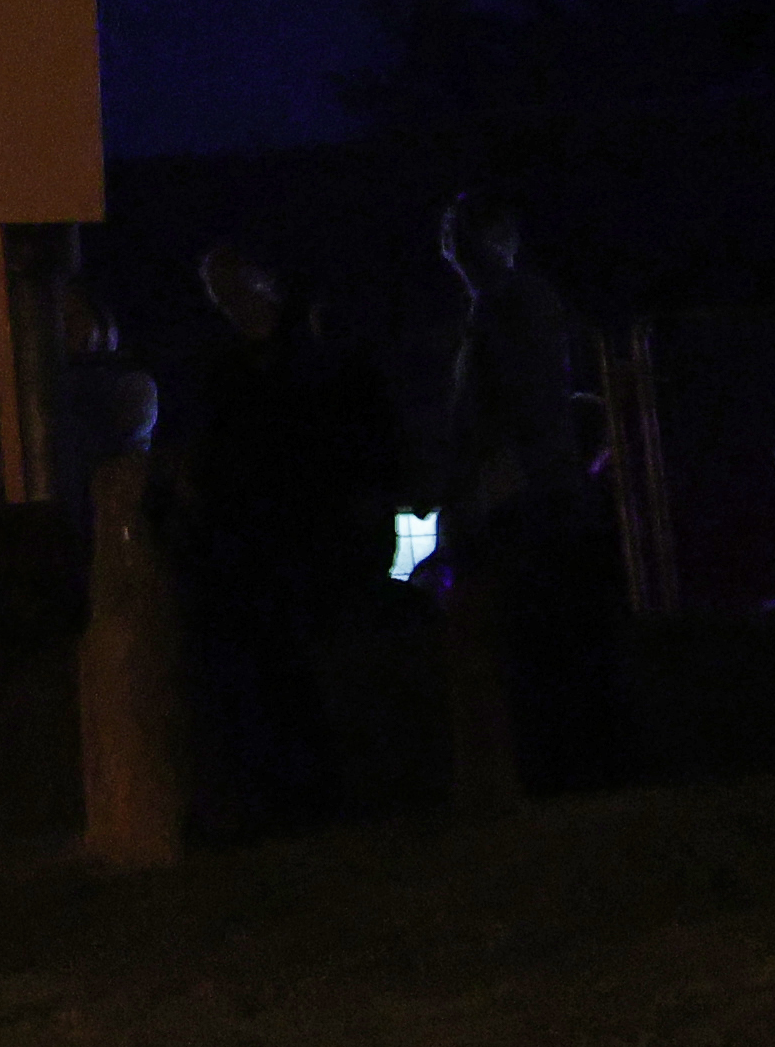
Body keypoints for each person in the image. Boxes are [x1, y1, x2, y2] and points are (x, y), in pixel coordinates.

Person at [160, 244, 411, 831]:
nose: (221, 296)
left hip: (289, 536)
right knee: (271, 670)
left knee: (287, 669)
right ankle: (289, 794)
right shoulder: (245, 364)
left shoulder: (296, 361)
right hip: (260, 539)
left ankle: (300, 794)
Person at [431, 197, 628, 791]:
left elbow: (514, 409)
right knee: (541, 647)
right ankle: (564, 772)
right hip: (530, 501)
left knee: (537, 647)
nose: (455, 251)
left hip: (525, 505)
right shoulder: (513, 305)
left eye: (462, 239)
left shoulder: (508, 305)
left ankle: (558, 773)